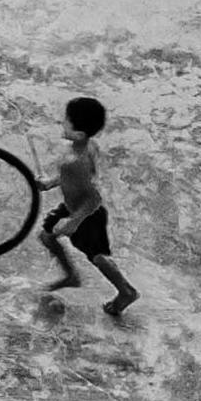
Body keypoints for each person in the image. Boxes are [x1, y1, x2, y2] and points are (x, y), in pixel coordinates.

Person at [38, 96, 138, 315]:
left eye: (66, 121)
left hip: (86, 215)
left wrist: (73, 222)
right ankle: (71, 276)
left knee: (98, 257)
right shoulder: (87, 147)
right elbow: (70, 179)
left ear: (79, 133)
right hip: (73, 208)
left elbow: (93, 198)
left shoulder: (75, 161)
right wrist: (50, 182)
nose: (61, 123)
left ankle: (126, 291)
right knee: (47, 236)